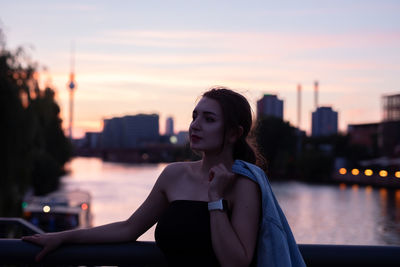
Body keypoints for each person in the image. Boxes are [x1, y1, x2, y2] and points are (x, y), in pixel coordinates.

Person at [23, 87, 305, 267]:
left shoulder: (244, 185)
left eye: (209, 119)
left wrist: (215, 199)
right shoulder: (174, 175)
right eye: (195, 116)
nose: (195, 125)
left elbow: (236, 262)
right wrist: (63, 238)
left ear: (233, 133)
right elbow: (128, 228)